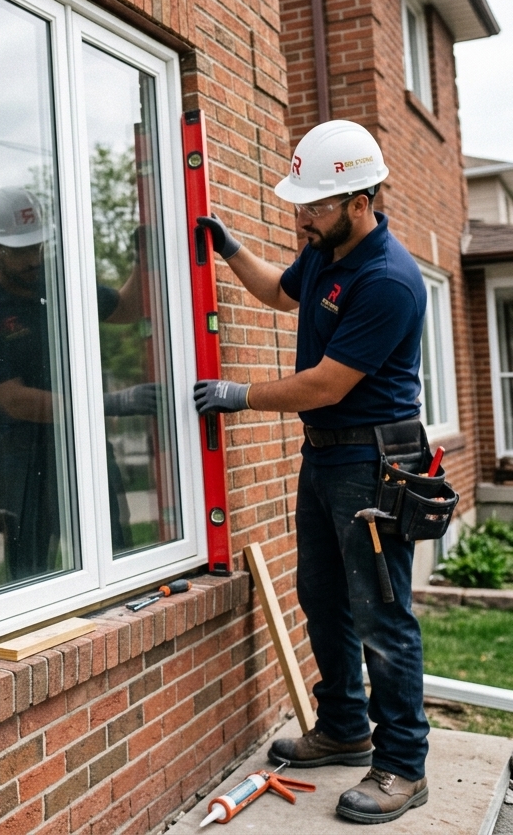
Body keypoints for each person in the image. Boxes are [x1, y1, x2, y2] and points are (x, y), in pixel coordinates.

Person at [193, 120, 430, 825]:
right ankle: (345, 728)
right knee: (322, 595)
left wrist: (240, 394)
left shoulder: (388, 279)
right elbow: (281, 293)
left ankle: (403, 766)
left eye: (315, 206)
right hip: (327, 454)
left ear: (360, 202)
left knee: (381, 613)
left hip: (375, 461)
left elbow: (326, 383)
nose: (302, 217)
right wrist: (229, 247)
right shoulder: (326, 252)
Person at [0, 187, 157, 580]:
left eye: (37, 247)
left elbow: (127, 308)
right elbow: (14, 399)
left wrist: (143, 257)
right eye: (21, 251)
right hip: (25, 459)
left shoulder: (61, 284)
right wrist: (108, 404)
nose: (33, 259)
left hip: (84, 444)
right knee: (30, 575)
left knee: (113, 555)